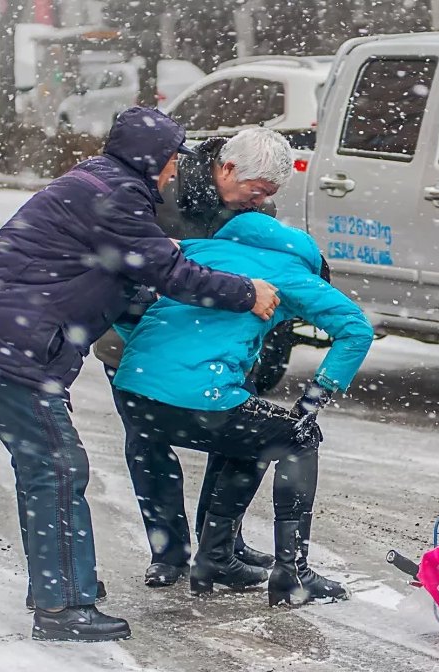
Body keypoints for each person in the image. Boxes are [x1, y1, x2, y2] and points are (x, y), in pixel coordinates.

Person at [0, 106, 280, 642]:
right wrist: (246, 293)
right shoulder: (118, 196)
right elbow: (165, 272)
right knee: (56, 467)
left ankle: (58, 585)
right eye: (169, 162)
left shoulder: (101, 183)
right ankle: (61, 608)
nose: (172, 173)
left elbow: (122, 276)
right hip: (11, 345)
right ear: (154, 159)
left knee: (47, 465)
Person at [110, 211, 373, 605]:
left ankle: (214, 557)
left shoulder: (198, 250)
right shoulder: (293, 273)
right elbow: (356, 329)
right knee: (298, 437)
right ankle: (292, 573)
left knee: (254, 433)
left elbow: (128, 290)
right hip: (198, 396)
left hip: (133, 392)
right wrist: (313, 399)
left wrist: (150, 354)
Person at [92, 127, 293, 588]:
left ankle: (220, 543)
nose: (259, 203)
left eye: (268, 195)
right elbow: (126, 265)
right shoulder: (158, 192)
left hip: (223, 346)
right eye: (254, 191)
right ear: (226, 168)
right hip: (138, 340)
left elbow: (266, 268)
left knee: (236, 434)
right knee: (147, 441)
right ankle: (169, 552)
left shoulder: (256, 207)